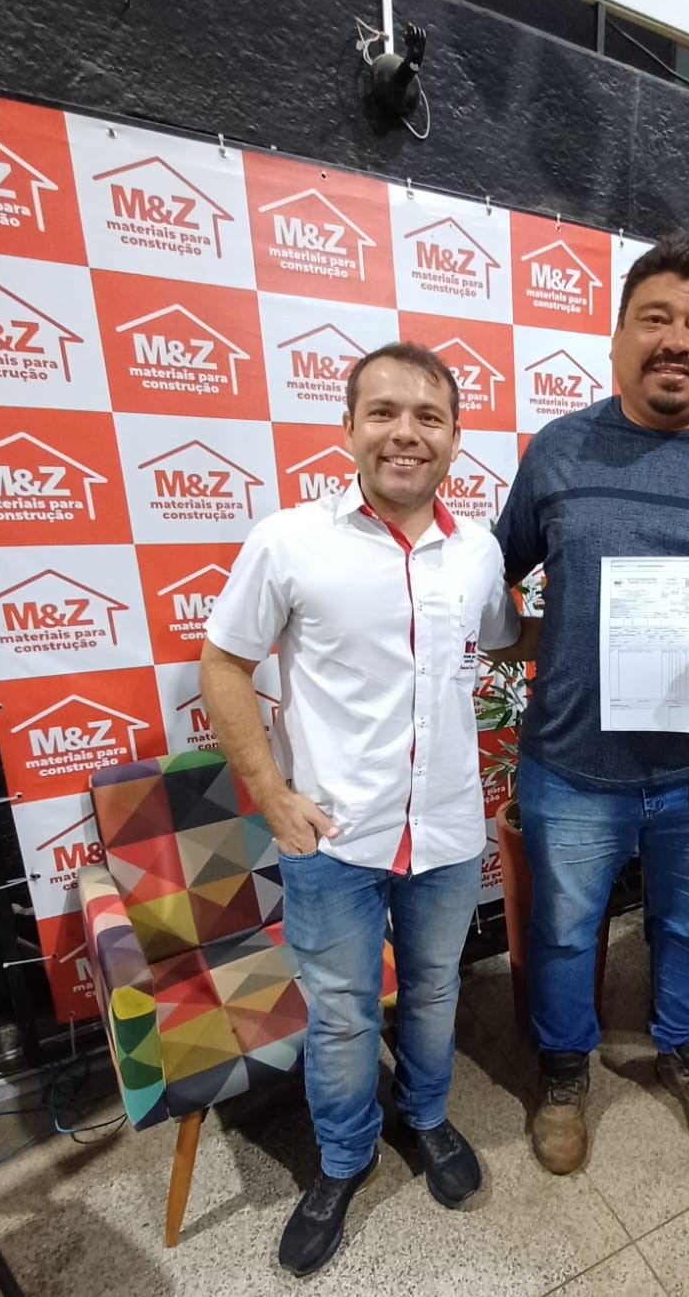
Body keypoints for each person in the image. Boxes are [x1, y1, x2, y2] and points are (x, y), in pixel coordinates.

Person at [200, 342, 527, 1277]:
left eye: (428, 417)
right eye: (383, 412)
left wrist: (624, 623)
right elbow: (222, 664)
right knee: (342, 1015)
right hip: (334, 836)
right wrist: (271, 794)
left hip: (449, 831)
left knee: (434, 990)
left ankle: (424, 1118)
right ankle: (342, 1161)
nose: (405, 433)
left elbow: (505, 638)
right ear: (348, 428)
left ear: (456, 438)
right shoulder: (289, 540)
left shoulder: (479, 551)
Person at [495, 234, 689, 1174]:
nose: (677, 339)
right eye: (655, 318)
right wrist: (542, 638)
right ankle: (563, 1073)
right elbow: (490, 577)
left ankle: (686, 1055)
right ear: (618, 336)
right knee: (563, 932)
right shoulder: (558, 450)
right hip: (571, 768)